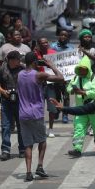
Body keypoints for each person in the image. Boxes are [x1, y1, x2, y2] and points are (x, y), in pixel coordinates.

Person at [18, 52, 64, 181]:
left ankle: (28, 172)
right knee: (42, 140)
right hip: (36, 113)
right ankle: (39, 166)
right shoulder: (39, 75)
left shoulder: (20, 75)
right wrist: (51, 65)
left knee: (28, 144)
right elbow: (60, 77)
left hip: (23, 114)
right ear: (34, 62)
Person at [66, 56, 95, 157]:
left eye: (84, 69)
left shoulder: (94, 78)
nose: (82, 71)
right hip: (80, 109)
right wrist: (72, 90)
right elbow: (68, 88)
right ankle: (77, 149)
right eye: (80, 69)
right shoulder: (75, 77)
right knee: (79, 129)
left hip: (94, 109)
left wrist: (82, 92)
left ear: (88, 69)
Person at [0, 51, 25, 161]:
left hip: (20, 101)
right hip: (6, 100)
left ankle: (22, 149)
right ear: (10, 60)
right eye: (16, 60)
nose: (18, 61)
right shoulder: (2, 69)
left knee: (21, 126)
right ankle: (5, 150)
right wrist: (3, 91)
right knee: (6, 126)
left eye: (19, 59)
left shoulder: (23, 69)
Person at [34, 37, 59, 137]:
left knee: (52, 107)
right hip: (39, 84)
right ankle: (41, 127)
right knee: (39, 107)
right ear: (38, 45)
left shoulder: (53, 52)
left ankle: (51, 128)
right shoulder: (35, 54)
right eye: (42, 43)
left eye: (46, 42)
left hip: (51, 84)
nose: (45, 44)